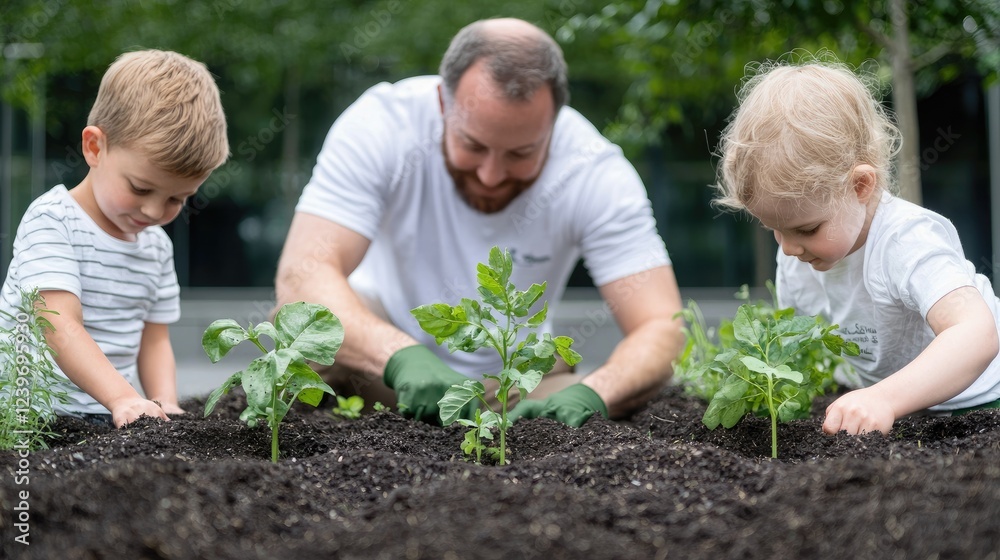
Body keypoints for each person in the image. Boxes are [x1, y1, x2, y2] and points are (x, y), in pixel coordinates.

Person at [275, 18, 684, 427]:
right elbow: (302, 276)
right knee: (300, 331)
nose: (491, 175)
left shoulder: (595, 171)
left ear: (554, 123)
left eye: (521, 153)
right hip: (380, 367)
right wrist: (399, 357)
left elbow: (662, 326)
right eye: (472, 145)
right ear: (442, 102)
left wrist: (596, 392)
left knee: (593, 413)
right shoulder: (382, 125)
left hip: (515, 380)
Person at [714, 58, 1000, 435]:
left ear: (860, 186)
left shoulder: (905, 239)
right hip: (902, 414)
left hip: (981, 403)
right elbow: (802, 355)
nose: (789, 249)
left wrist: (883, 398)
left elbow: (977, 332)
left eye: (807, 228)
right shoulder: (799, 255)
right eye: (774, 230)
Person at [0, 49, 229, 428]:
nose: (155, 213)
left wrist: (164, 403)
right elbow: (58, 324)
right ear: (94, 147)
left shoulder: (155, 247)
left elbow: (154, 341)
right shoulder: (53, 221)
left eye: (177, 198)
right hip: (27, 418)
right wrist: (122, 396)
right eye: (140, 188)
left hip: (106, 415)